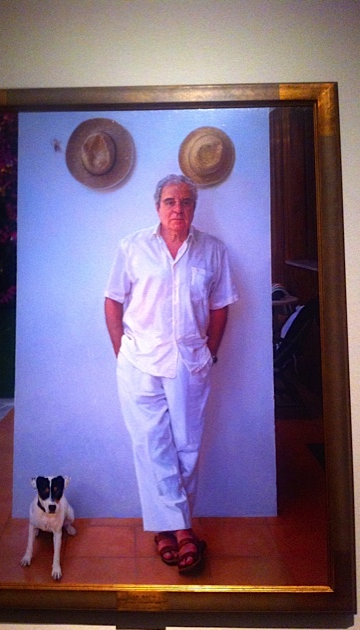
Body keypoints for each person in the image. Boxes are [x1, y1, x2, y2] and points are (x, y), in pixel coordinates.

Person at [104, 174, 238, 574]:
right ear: (157, 206)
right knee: (152, 445)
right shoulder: (132, 247)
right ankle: (182, 532)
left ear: (194, 207)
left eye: (185, 202)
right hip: (140, 360)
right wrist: (121, 352)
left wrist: (210, 352)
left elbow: (220, 306)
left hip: (189, 361)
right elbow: (112, 301)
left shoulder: (213, 250)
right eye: (169, 201)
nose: (177, 209)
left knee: (186, 447)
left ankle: (166, 529)